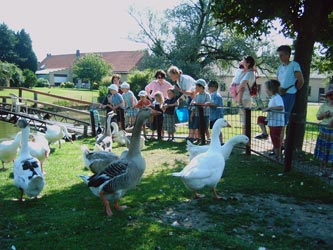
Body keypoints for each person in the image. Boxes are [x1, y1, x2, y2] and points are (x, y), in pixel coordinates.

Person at [276, 45, 304, 144]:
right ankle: (277, 144)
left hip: (289, 94)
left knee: (283, 119)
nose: (280, 57)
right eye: (279, 55)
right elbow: (277, 81)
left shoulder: (294, 65)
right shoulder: (280, 67)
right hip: (279, 94)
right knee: (277, 118)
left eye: (282, 55)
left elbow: (300, 80)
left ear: (288, 55)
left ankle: (280, 144)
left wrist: (294, 89)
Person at [258, 80, 285, 161]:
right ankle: (265, 133)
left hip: (277, 123)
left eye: (266, 89)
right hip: (271, 120)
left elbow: (281, 107)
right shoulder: (273, 98)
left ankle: (278, 157)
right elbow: (272, 108)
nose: (265, 90)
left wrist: (269, 108)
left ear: (271, 89)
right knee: (260, 119)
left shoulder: (277, 97)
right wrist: (262, 108)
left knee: (275, 140)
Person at [167, 65, 196, 140]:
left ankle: (195, 136)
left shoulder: (185, 79)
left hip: (195, 98)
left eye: (171, 75)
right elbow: (184, 93)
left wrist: (179, 91)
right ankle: (190, 135)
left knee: (194, 117)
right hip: (190, 99)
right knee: (190, 117)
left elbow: (191, 92)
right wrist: (180, 99)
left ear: (175, 74)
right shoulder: (178, 81)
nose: (171, 77)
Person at [314, 84, 333, 178]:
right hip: (324, 131)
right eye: (330, 95)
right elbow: (318, 117)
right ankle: (322, 170)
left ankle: (332, 172)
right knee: (323, 151)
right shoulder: (324, 106)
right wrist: (324, 115)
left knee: (332, 152)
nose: (332, 97)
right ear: (327, 96)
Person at [237, 55, 256, 134]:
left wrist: (239, 100)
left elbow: (241, 87)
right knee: (245, 119)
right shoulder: (251, 73)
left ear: (248, 64)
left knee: (244, 120)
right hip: (247, 98)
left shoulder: (248, 74)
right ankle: (245, 137)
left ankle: (244, 137)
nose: (242, 62)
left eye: (244, 61)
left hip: (244, 98)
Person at [190, 79, 211, 143]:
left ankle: (208, 138)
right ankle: (199, 139)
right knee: (198, 127)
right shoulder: (196, 95)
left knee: (205, 127)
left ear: (202, 87)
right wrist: (192, 113)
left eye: (197, 86)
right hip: (197, 114)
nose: (196, 88)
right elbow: (193, 103)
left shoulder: (207, 95)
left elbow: (207, 103)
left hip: (205, 114)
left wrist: (198, 104)